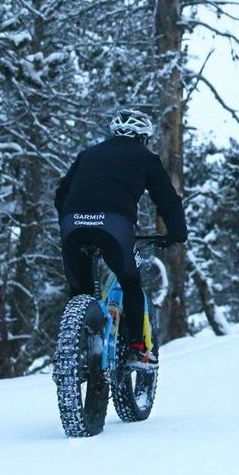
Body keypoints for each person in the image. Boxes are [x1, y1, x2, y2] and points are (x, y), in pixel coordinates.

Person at [54, 109, 187, 370]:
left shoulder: (88, 154)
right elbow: (168, 200)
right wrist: (176, 233)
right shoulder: (146, 158)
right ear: (143, 137)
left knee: (79, 293)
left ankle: (74, 355)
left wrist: (72, 221)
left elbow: (60, 196)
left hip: (72, 224)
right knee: (130, 281)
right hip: (114, 225)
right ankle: (138, 349)